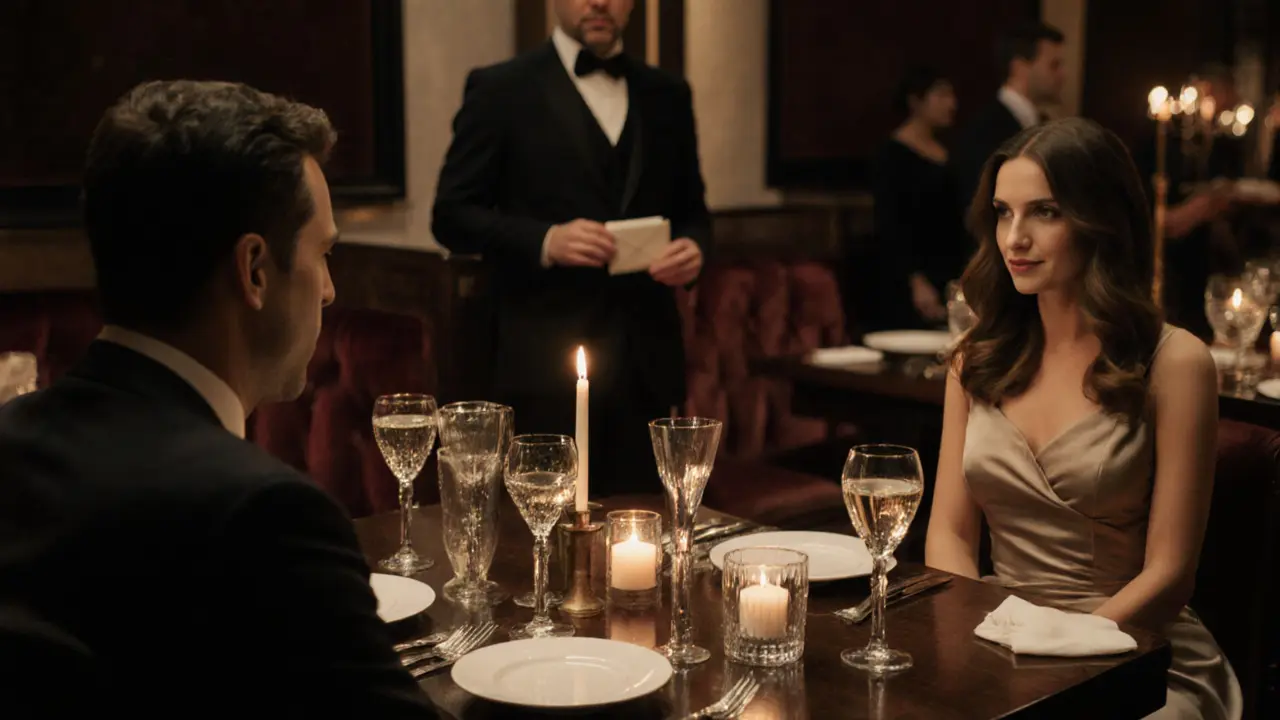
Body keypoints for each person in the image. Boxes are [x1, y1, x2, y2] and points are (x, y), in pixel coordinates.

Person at [0, 80, 438, 716]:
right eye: (323, 253)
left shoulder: (10, 441)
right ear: (255, 270)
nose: (329, 290)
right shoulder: (267, 517)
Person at [926, 118, 1242, 719]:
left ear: (1102, 220)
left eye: (1045, 212)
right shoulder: (975, 360)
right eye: (1003, 213)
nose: (1015, 237)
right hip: (998, 635)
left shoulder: (1176, 361)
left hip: (1131, 647)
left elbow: (1171, 574)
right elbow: (950, 534)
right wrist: (975, 637)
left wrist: (1058, 653)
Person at [432, 0, 709, 497]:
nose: (599, 1)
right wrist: (545, 240)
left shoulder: (668, 93)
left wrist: (693, 249)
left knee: (642, 527)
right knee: (544, 525)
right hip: (541, 358)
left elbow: (694, 211)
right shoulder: (501, 88)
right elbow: (451, 215)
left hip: (646, 361)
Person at [869, 66, 969, 329]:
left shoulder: (947, 152)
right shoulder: (892, 155)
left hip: (949, 270)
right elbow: (890, 223)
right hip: (911, 278)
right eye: (942, 95)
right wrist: (915, 280)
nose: (951, 104)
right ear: (916, 100)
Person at [950, 22, 1065, 212]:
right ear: (1020, 68)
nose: (1063, 75)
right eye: (1054, 65)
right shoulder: (986, 131)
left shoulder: (1038, 124)